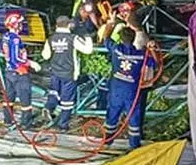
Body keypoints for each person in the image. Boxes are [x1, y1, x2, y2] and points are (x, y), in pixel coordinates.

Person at [98, 16, 155, 149]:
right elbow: (154, 62)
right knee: (134, 118)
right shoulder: (141, 54)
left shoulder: (116, 49)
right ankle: (134, 145)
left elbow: (105, 38)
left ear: (121, 38)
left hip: (116, 90)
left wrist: (110, 23)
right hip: (132, 91)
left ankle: (107, 141)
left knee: (112, 114)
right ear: (134, 38)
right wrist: (151, 48)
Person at [41, 15, 95, 130]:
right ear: (69, 25)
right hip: (69, 73)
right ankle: (63, 124)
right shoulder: (73, 38)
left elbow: (45, 56)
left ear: (56, 25)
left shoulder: (51, 38)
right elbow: (88, 50)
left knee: (54, 92)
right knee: (67, 100)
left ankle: (49, 108)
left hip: (55, 72)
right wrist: (87, 36)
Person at [0, 11, 39, 129]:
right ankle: (26, 123)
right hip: (19, 71)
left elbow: (3, 51)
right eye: (20, 23)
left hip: (8, 71)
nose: (22, 25)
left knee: (9, 97)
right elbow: (15, 58)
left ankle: (8, 120)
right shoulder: (15, 39)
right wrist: (30, 63)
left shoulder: (5, 36)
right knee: (25, 97)